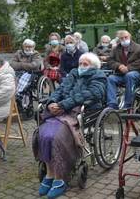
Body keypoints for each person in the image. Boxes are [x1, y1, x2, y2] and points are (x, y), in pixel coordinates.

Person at [33, 53, 106, 198]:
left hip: (81, 112)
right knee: (44, 133)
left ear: (93, 66)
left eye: (86, 64)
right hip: (62, 110)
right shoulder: (73, 73)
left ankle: (60, 178)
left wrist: (63, 104)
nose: (81, 66)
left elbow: (93, 93)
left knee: (58, 137)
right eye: (80, 63)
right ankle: (49, 174)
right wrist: (52, 102)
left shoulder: (99, 76)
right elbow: (61, 90)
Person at [107, 30, 140, 109]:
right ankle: (112, 104)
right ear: (119, 39)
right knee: (110, 78)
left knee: (129, 75)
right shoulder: (116, 49)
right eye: (121, 38)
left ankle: (128, 105)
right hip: (121, 74)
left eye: (126, 37)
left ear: (130, 37)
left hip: (138, 74)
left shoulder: (138, 48)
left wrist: (128, 68)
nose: (124, 39)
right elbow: (110, 61)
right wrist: (118, 66)